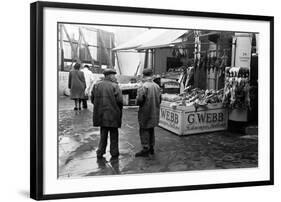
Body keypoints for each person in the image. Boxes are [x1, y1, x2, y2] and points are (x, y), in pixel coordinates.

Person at [91, 68, 123, 159]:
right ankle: (114, 152)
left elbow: (93, 99)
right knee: (114, 134)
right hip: (113, 114)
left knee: (103, 133)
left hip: (101, 114)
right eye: (114, 75)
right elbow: (120, 101)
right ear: (110, 75)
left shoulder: (96, 85)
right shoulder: (115, 86)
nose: (115, 77)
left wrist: (99, 106)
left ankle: (100, 152)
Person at [135, 68, 161, 157]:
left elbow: (139, 100)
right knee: (151, 129)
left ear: (143, 75)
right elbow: (160, 99)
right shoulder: (157, 86)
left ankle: (145, 148)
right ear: (151, 75)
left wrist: (137, 101)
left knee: (144, 129)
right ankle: (151, 147)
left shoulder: (143, 86)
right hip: (154, 111)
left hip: (145, 112)